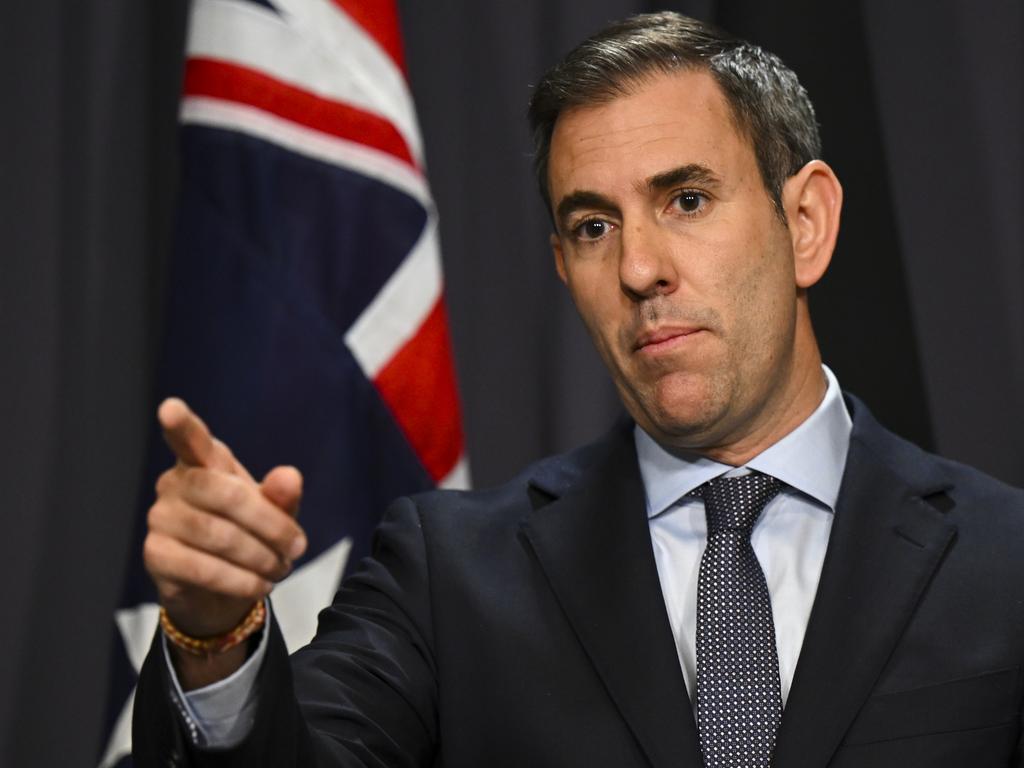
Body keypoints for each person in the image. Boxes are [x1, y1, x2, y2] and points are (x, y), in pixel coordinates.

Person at [133, 11, 1024, 767]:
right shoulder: (449, 576)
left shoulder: (1005, 560)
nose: (637, 269)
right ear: (564, 267)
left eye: (685, 200)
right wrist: (219, 642)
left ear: (805, 224)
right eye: (594, 226)